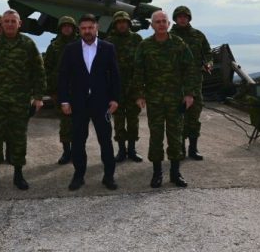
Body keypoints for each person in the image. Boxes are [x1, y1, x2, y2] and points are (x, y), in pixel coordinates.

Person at [0, 9, 46, 191]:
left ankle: (18, 174)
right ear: (2, 24)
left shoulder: (28, 44)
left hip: (20, 100)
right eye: (6, 21)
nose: (10, 24)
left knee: (18, 137)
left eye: (13, 21)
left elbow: (38, 70)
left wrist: (38, 97)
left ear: (19, 24)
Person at [133, 10, 198, 188]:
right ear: (152, 25)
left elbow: (190, 69)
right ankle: (157, 173)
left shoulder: (179, 44)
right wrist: (139, 95)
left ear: (169, 24)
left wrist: (189, 94)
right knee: (156, 137)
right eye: (157, 22)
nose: (161, 24)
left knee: (175, 136)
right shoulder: (145, 46)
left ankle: (175, 173)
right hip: (154, 99)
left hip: (175, 99)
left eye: (164, 21)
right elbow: (138, 71)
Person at [58, 14, 121, 191]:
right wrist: (64, 100)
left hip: (102, 103)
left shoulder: (108, 48)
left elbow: (115, 76)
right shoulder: (71, 49)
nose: (87, 31)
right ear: (79, 30)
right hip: (78, 103)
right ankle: (79, 175)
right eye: (84, 28)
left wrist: (115, 99)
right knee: (78, 141)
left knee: (105, 141)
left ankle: (108, 176)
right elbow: (63, 76)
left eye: (90, 28)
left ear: (96, 28)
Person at [171, 5, 213, 160]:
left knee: (194, 117)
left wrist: (208, 63)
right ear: (175, 19)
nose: (182, 19)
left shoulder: (198, 36)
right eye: (179, 17)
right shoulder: (170, 36)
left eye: (185, 17)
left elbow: (208, 53)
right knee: (179, 118)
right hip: (177, 84)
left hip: (195, 83)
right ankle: (180, 148)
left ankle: (193, 149)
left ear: (189, 18)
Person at [105, 10, 143, 163]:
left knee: (133, 120)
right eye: (119, 22)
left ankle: (132, 150)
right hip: (116, 88)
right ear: (115, 24)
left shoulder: (137, 39)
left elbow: (142, 64)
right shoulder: (109, 41)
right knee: (119, 121)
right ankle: (121, 150)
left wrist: (141, 90)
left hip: (134, 87)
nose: (122, 25)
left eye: (124, 22)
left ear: (128, 24)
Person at [44, 15, 79, 165]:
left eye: (69, 26)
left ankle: (77, 151)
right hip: (61, 90)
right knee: (65, 123)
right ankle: (66, 151)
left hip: (79, 90)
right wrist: (51, 91)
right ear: (60, 28)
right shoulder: (54, 46)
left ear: (73, 28)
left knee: (79, 123)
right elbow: (47, 68)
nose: (67, 28)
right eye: (64, 26)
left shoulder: (82, 43)